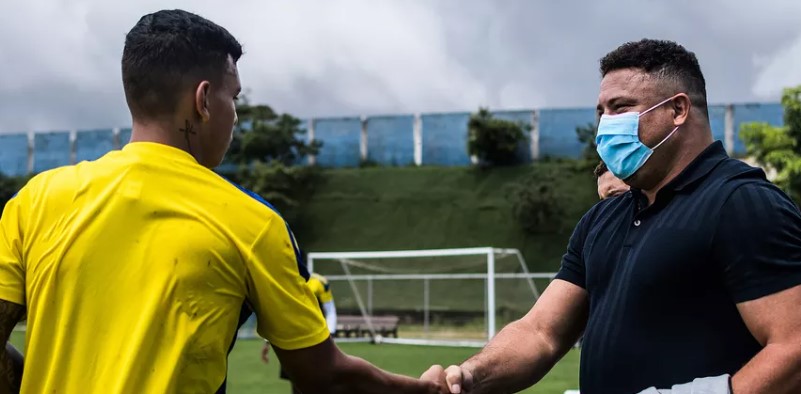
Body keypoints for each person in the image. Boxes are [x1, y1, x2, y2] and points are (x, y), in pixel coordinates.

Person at [0, 9, 444, 394]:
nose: (235, 116)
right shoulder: (252, 222)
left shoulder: (36, 199)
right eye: (233, 98)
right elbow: (325, 379)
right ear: (203, 101)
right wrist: (423, 391)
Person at [422, 38, 801, 394]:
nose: (606, 124)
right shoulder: (601, 219)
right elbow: (540, 333)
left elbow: (795, 347)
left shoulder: (742, 203)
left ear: (678, 110)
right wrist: (469, 377)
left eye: (620, 108)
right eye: (601, 112)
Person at [262, 270, 338, 394]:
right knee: (296, 382)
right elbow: (278, 313)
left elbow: (330, 310)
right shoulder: (282, 282)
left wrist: (330, 334)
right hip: (290, 339)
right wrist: (267, 342)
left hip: (315, 339)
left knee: (318, 381)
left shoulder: (319, 282)